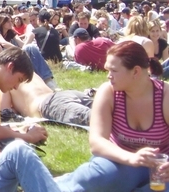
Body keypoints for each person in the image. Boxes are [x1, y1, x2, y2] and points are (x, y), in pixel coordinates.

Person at [55, 41, 168, 192]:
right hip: (119, 161)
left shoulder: (165, 96)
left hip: (160, 168)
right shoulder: (108, 93)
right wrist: (131, 158)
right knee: (96, 178)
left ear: (135, 72)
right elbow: (97, 142)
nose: (108, 76)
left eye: (113, 71)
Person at [0, 72, 92, 126]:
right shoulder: (28, 71)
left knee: (94, 119)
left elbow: (6, 113)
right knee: (102, 110)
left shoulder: (6, 81)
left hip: (48, 104)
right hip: (65, 94)